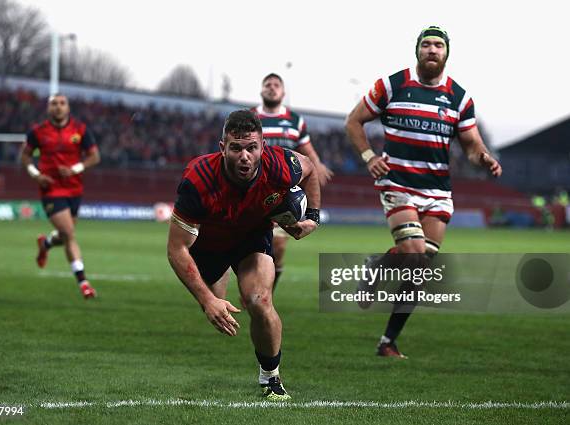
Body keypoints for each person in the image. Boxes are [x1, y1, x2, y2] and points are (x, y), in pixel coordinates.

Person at [345, 26, 502, 358]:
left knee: (420, 268)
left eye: (438, 45)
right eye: (426, 44)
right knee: (414, 252)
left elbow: (471, 145)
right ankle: (375, 270)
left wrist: (483, 157)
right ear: (417, 51)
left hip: (437, 190)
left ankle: (387, 340)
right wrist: (369, 156)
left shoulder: (459, 98)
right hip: (398, 183)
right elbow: (353, 121)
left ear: (446, 54)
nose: (432, 50)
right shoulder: (392, 85)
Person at [167, 109, 320, 400]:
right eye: (236, 148)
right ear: (222, 147)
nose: (245, 156)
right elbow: (176, 248)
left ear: (263, 146)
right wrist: (208, 299)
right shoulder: (197, 180)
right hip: (209, 244)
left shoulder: (280, 165)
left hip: (252, 236)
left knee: (259, 300)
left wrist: (311, 217)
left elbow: (310, 167)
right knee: (213, 307)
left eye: (252, 147)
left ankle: (270, 378)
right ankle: (219, 280)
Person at [252, 73, 333, 288]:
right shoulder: (251, 117)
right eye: (267, 84)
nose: (271, 88)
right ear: (261, 91)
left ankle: (266, 293)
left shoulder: (295, 120)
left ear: (283, 92)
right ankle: (253, 289)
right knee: (253, 248)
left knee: (278, 247)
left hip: (283, 193)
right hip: (253, 191)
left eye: (276, 85)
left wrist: (317, 165)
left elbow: (305, 149)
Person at [20, 94, 100, 299]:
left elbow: (94, 157)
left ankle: (45, 244)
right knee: (69, 233)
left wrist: (75, 169)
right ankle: (84, 283)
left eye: (62, 103)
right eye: (54, 104)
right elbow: (25, 156)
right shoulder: (37, 132)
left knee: (65, 234)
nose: (58, 107)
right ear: (48, 108)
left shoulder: (80, 130)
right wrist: (37, 175)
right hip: (51, 189)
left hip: (74, 189)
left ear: (68, 107)